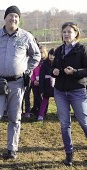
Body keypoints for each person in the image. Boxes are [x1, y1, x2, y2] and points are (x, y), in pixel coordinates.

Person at [0, 6, 41, 164]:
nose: (13, 19)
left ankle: (12, 149)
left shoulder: (26, 36)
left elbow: (36, 55)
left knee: (15, 118)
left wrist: (27, 70)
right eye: (10, 16)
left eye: (16, 16)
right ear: (5, 18)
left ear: (19, 19)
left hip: (17, 83)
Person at [51, 22, 87, 166]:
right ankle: (69, 154)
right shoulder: (58, 50)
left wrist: (75, 72)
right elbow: (52, 69)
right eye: (64, 31)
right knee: (65, 124)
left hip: (77, 91)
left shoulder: (82, 49)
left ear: (76, 33)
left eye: (69, 32)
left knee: (84, 121)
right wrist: (54, 72)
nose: (66, 34)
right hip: (60, 92)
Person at [37, 48, 55, 121]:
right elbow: (41, 76)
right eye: (50, 54)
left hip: (55, 85)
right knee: (44, 100)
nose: (51, 56)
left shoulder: (57, 63)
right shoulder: (44, 63)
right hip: (46, 85)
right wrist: (41, 88)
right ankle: (41, 115)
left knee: (59, 101)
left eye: (53, 55)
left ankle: (62, 114)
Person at [30, 46, 48, 117]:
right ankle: (37, 110)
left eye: (42, 52)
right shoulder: (35, 61)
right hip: (35, 82)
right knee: (36, 97)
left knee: (44, 98)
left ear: (45, 52)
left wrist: (41, 82)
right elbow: (32, 71)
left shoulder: (46, 62)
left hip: (44, 83)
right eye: (39, 52)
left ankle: (44, 112)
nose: (40, 54)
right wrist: (33, 80)